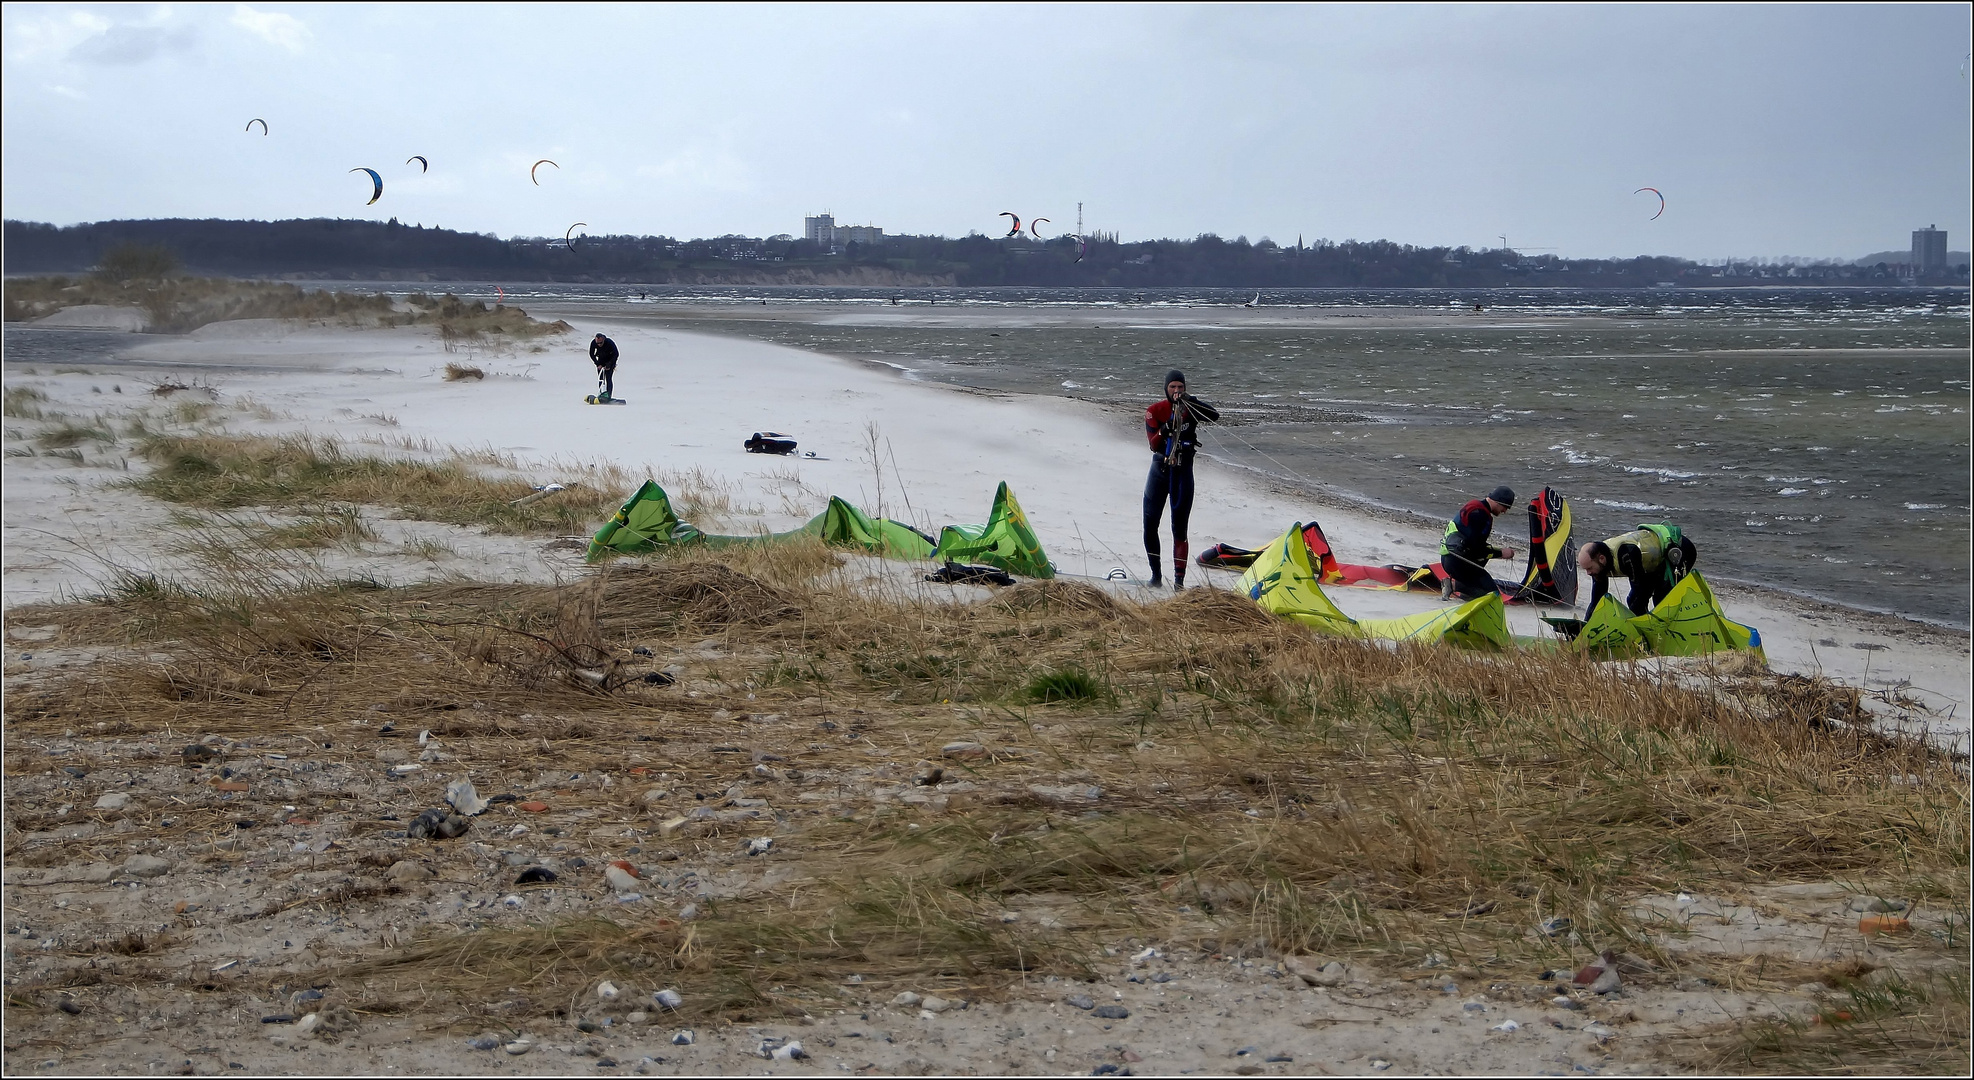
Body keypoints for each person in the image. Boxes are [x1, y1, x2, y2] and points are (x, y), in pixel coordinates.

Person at [1142, 369, 1220, 589]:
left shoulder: (1190, 408)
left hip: (1183, 470)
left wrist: (1190, 401)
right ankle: (1155, 576)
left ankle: (1178, 583)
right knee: (1150, 525)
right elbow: (1153, 444)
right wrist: (1166, 428)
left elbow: (1214, 416)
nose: (1176, 391)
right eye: (1172, 387)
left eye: (1180, 387)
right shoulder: (1154, 411)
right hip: (1160, 469)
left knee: (1180, 528)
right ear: (1166, 389)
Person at [1577, 524, 1696, 615]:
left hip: (1680, 550)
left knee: (1659, 598)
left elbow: (1641, 592)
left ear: (1601, 559)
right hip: (1653, 563)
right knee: (1633, 600)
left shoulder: (1625, 556)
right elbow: (1596, 601)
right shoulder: (1599, 561)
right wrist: (1585, 630)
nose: (1588, 573)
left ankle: (1666, 632)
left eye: (1589, 568)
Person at [1438, 486, 1517, 600]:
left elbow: (1472, 542)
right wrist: (1501, 553)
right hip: (1457, 562)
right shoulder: (1482, 515)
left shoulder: (1474, 505)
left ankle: (1466, 594)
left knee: (1483, 561)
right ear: (1498, 501)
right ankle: (1454, 586)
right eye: (1505, 507)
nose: (1504, 511)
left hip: (1447, 557)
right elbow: (1477, 549)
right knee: (1492, 595)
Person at [588, 332, 620, 400]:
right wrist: (597, 363)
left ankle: (608, 396)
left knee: (608, 378)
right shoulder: (594, 343)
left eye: (600, 343)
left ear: (603, 340)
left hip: (610, 360)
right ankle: (601, 394)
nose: (599, 345)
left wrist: (609, 364)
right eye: (598, 343)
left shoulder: (609, 342)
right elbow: (591, 354)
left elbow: (616, 354)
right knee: (601, 379)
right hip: (601, 360)